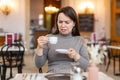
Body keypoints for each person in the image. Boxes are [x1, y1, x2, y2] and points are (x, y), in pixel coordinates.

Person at [34, 6, 89, 73]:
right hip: (53, 75)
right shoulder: (48, 38)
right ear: (57, 23)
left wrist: (75, 56)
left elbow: (86, 66)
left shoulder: (79, 40)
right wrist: (39, 47)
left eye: (67, 22)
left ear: (74, 23)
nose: (63, 25)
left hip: (73, 76)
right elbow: (38, 64)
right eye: (60, 22)